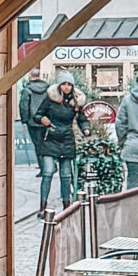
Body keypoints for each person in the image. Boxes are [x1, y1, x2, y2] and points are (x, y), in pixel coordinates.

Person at [32, 78, 86, 212]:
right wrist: (42, 119)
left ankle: (66, 206)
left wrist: (85, 128)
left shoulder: (76, 101)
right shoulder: (50, 99)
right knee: (48, 173)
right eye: (64, 84)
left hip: (67, 139)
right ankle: (42, 206)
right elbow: (38, 114)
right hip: (51, 138)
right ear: (59, 85)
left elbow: (82, 118)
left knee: (66, 176)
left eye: (69, 84)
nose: (67, 87)